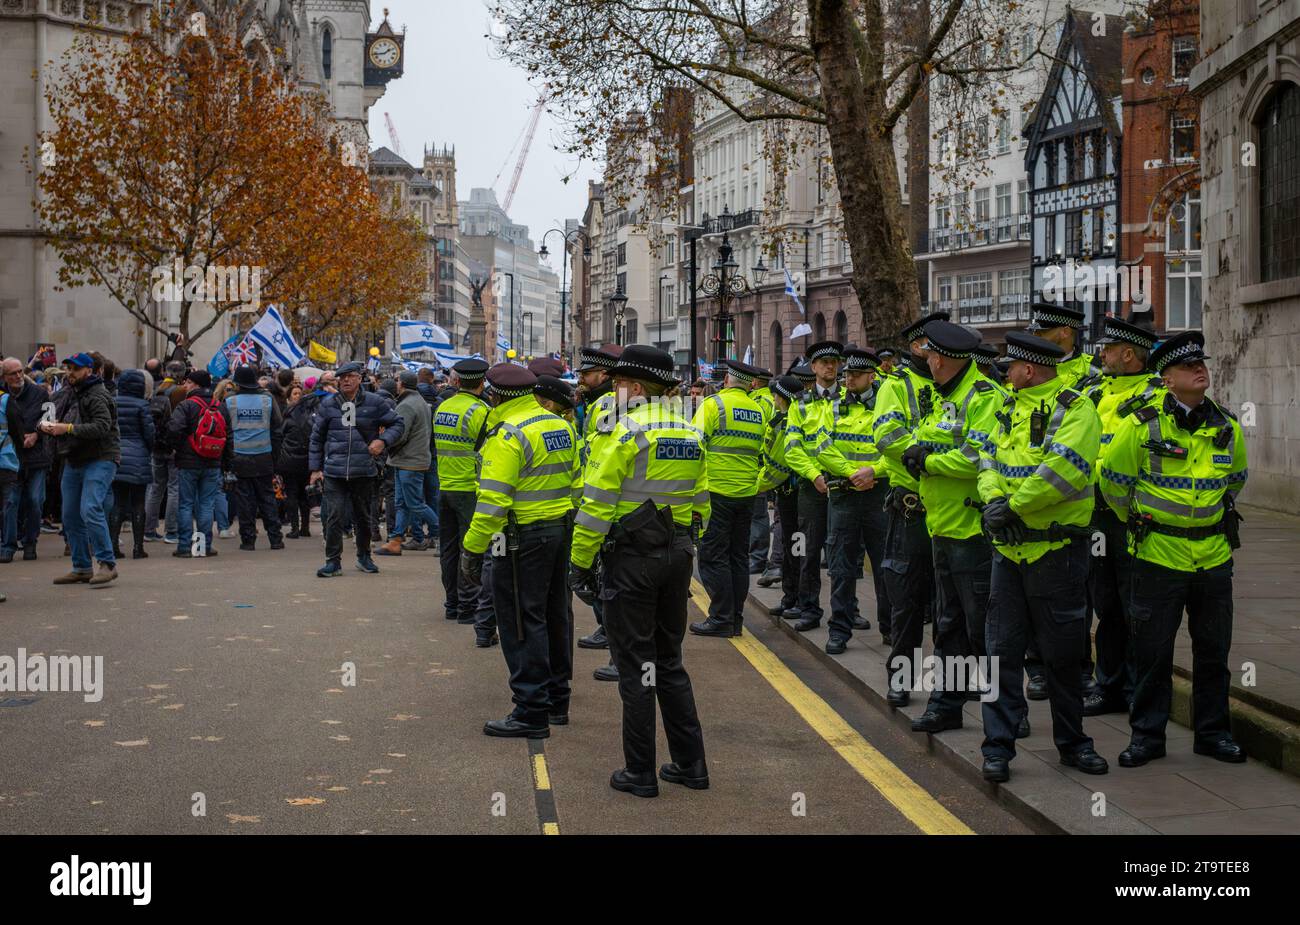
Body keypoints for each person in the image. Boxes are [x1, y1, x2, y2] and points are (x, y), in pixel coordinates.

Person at [1100, 330, 1247, 767]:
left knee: (1213, 653)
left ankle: (1213, 734)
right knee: (1152, 654)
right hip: (1157, 558)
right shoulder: (1140, 424)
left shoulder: (1226, 425)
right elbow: (1114, 484)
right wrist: (1150, 521)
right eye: (1188, 366)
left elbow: (1234, 482)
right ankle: (1147, 737)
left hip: (1213, 559)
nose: (1199, 370)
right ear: (1166, 379)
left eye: (1201, 363)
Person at [568, 345, 709, 797]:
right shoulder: (689, 431)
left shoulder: (625, 432)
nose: (615, 392)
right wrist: (684, 547)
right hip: (676, 556)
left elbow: (595, 506)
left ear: (633, 386)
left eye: (618, 385)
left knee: (636, 668)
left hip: (631, 561)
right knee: (669, 662)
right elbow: (700, 500)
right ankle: (691, 766)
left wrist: (580, 562)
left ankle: (641, 773)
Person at [977, 331, 1107, 783]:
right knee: (1000, 654)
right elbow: (987, 461)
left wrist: (1011, 507)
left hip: (1057, 555)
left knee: (1063, 657)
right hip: (1008, 553)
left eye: (1010, 367)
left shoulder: (1076, 408)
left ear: (1028, 369)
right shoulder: (1007, 407)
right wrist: (996, 503)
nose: (1005, 373)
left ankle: (1072, 744)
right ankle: (997, 747)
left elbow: (1063, 472)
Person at [460, 364, 579, 738]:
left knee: (521, 623)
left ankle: (530, 711)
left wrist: (472, 548)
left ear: (495, 395)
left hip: (521, 538)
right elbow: (577, 482)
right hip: (559, 528)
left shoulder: (507, 434)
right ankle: (557, 700)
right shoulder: (559, 425)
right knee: (556, 614)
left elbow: (493, 499)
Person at [901, 322, 1003, 732]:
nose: (925, 361)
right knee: (948, 625)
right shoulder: (943, 396)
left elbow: (975, 458)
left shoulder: (983, 397)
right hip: (941, 526)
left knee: (982, 629)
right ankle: (947, 705)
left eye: (928, 355)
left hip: (971, 530)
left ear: (939, 359)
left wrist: (926, 461)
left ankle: (1006, 713)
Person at [1083, 315, 1162, 718]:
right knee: (1106, 604)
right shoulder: (1093, 392)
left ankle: (1135, 687)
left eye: (1108, 349)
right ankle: (1108, 685)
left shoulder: (1155, 394)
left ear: (1128, 354)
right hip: (1097, 514)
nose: (1102, 354)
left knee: (1138, 606)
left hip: (1131, 514)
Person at [873, 314, 946, 701]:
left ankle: (953, 686)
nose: (934, 354)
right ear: (916, 346)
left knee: (952, 608)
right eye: (929, 346)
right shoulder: (897, 385)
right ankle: (902, 680)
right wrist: (925, 459)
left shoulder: (955, 385)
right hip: (912, 507)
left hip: (951, 509)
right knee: (908, 603)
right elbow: (887, 435)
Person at [812, 348, 890, 654]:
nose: (849, 379)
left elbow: (896, 446)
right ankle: (840, 629)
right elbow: (822, 446)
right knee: (841, 567)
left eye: (855, 375)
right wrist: (853, 473)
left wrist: (874, 472)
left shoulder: (885, 407)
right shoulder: (832, 406)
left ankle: (890, 628)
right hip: (844, 493)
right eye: (847, 374)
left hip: (878, 494)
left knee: (886, 565)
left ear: (871, 376)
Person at [690, 359, 766, 638]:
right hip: (746, 493)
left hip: (717, 491)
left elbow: (695, 444)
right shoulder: (758, 411)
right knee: (738, 557)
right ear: (751, 385)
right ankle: (734, 618)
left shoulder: (713, 405)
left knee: (712, 556)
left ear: (726, 382)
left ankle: (720, 617)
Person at [308, 361, 404, 577]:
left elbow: (398, 424)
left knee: (363, 517)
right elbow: (316, 437)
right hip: (335, 471)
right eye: (342, 377)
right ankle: (332, 561)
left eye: (350, 376)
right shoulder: (328, 404)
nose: (346, 381)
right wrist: (315, 468)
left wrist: (382, 442)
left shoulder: (375, 402)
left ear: (359, 378)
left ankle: (364, 556)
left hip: (364, 470)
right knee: (333, 516)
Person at [781, 341, 845, 631]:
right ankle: (809, 608)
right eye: (824, 362)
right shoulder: (800, 403)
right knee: (807, 549)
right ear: (814, 368)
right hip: (811, 485)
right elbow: (792, 448)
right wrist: (814, 475)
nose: (830, 366)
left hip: (845, 484)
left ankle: (846, 611)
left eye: (834, 361)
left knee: (843, 552)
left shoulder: (850, 399)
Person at [40, 353, 119, 585]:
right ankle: (82, 566)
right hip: (74, 458)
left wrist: (68, 428)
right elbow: (46, 412)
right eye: (68, 368)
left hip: (101, 458)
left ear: (89, 371)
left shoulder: (98, 394)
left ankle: (107, 564)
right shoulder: (67, 392)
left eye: (75, 369)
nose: (70, 372)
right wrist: (44, 426)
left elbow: (102, 427)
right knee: (70, 515)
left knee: (90, 508)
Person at [573, 345, 623, 674]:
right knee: (602, 574)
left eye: (587, 374)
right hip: (600, 490)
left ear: (603, 374)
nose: (581, 379)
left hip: (603, 495)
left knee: (601, 574)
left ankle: (610, 631)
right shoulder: (596, 401)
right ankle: (608, 628)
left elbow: (597, 448)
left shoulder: (606, 403)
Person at [432, 358, 491, 629]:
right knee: (471, 548)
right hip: (469, 488)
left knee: (448, 549)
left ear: (457, 381)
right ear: (482, 381)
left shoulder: (443, 406)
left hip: (445, 486)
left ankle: (451, 604)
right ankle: (468, 605)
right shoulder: (481, 411)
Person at [168, 370, 233, 558]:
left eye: (188, 382)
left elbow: (174, 429)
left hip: (188, 462)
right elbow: (228, 436)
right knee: (206, 504)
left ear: (195, 384)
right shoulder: (220, 406)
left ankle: (184, 547)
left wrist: (177, 448)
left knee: (186, 504)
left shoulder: (186, 405)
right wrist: (227, 461)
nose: (185, 386)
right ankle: (203, 546)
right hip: (213, 460)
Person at [756, 376, 805, 612]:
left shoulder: (784, 423)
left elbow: (779, 464)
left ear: (781, 397)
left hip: (792, 495)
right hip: (790, 495)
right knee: (791, 547)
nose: (773, 398)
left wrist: (760, 484)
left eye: (776, 394)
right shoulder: (785, 419)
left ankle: (797, 599)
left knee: (797, 547)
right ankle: (791, 598)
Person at [378, 370, 437, 556]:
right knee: (403, 503)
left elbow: (400, 435)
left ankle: (441, 532)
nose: (395, 384)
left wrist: (384, 440)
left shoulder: (406, 405)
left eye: (397, 381)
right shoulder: (420, 402)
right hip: (413, 459)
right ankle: (396, 540)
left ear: (401, 384)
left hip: (408, 461)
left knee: (414, 504)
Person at [226, 365, 284, 551]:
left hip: (240, 457)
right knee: (267, 497)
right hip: (264, 455)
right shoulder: (267, 400)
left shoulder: (229, 401)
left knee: (244, 501)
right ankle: (275, 539)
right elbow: (277, 428)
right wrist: (275, 456)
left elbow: (224, 431)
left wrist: (228, 459)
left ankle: (248, 540)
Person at [2, 357, 51, 562]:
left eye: (20, 371)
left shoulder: (39, 393)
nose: (18, 376)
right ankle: (8, 545)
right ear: (4, 377)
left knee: (34, 500)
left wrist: (37, 434)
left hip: (36, 456)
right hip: (11, 458)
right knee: (10, 502)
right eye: (13, 373)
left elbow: (50, 418)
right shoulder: (3, 398)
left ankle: (30, 542)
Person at [108, 369, 156, 560]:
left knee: (118, 503)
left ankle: (112, 545)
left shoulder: (112, 402)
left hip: (117, 455)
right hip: (138, 457)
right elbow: (149, 433)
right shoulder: (142, 405)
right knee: (138, 503)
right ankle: (138, 547)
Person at [144, 360, 187, 544]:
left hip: (156, 444)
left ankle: (149, 529)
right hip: (174, 445)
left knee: (156, 488)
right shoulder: (181, 392)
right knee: (174, 488)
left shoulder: (155, 390)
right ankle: (171, 530)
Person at [1027, 303, 1101, 391]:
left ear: (1065, 332)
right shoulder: (1028, 368)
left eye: (1042, 332)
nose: (1035, 335)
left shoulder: (1093, 368)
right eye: (1035, 331)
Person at [277, 379, 318, 539]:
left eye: (299, 394)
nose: (297, 396)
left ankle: (298, 528)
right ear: (288, 397)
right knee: (301, 494)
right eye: (294, 393)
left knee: (296, 494)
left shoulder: (287, 417)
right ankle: (301, 527)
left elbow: (279, 437)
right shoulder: (310, 417)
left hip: (292, 461)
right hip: (301, 461)